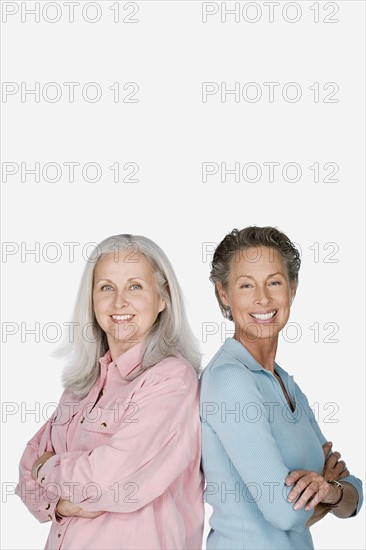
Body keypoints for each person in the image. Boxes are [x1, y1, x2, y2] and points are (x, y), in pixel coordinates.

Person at [16, 234, 204, 550]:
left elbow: (113, 481)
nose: (119, 303)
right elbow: (24, 472)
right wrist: (60, 505)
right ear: (91, 300)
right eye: (106, 288)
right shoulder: (80, 387)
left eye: (135, 286)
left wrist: (46, 468)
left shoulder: (171, 381)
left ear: (162, 298)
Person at [200, 226, 363, 549]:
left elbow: (354, 496)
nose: (263, 298)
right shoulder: (229, 380)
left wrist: (332, 489)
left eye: (274, 282)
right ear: (224, 294)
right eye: (246, 285)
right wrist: (330, 488)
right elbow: (285, 513)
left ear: (292, 288)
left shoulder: (286, 384)